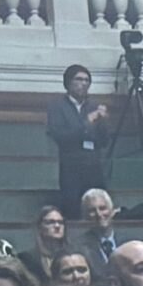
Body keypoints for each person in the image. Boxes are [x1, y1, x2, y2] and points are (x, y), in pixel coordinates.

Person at [46, 64, 109, 210]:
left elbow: (104, 141)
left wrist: (104, 122)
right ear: (68, 83)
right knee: (72, 208)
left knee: (96, 205)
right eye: (79, 79)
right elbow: (60, 136)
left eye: (87, 80)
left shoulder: (94, 106)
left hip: (93, 165)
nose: (83, 84)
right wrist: (87, 123)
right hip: (70, 165)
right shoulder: (57, 106)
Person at [19, 203, 73, 284]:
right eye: (51, 222)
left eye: (60, 222)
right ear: (40, 227)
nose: (57, 226)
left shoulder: (73, 256)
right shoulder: (26, 259)